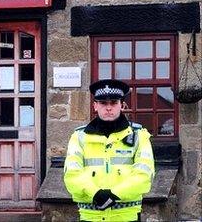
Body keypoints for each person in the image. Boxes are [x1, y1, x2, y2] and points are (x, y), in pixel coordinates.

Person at [63, 79, 155, 221]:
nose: (108, 107)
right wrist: (95, 194)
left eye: (113, 102)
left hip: (126, 216)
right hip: (90, 216)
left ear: (122, 105)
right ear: (95, 106)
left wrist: (115, 194)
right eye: (103, 103)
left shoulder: (138, 135)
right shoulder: (79, 137)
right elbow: (72, 175)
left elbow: (144, 174)